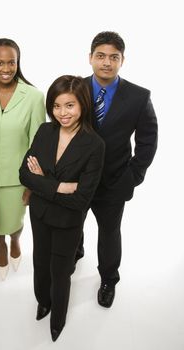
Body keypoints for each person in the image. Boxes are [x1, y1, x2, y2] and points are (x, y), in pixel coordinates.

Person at [19, 75, 105, 342]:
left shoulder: (94, 145)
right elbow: (24, 174)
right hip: (40, 214)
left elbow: (81, 199)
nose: (62, 113)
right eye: (56, 106)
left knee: (61, 269)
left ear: (82, 105)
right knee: (40, 262)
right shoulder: (45, 131)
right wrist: (61, 186)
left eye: (69, 105)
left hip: (69, 220)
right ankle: (42, 301)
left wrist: (43, 182)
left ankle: (58, 318)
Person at [76, 31, 158, 308]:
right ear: (90, 58)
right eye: (100, 56)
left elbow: (148, 139)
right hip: (76, 179)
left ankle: (109, 278)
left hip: (114, 181)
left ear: (122, 60)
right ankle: (76, 251)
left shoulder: (137, 96)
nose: (106, 63)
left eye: (114, 57)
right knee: (72, 224)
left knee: (110, 233)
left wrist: (133, 176)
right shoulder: (74, 89)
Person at [0, 38, 46, 280]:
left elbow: (38, 143)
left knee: (14, 222)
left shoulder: (34, 97)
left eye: (11, 62)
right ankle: (1, 247)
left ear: (18, 63)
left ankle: (14, 242)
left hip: (18, 177)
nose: (6, 68)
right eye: (0, 62)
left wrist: (32, 185)